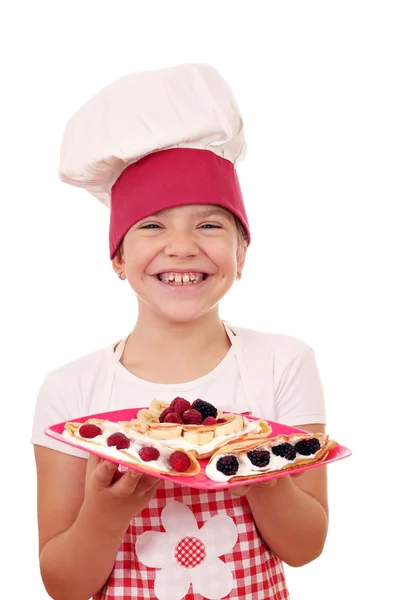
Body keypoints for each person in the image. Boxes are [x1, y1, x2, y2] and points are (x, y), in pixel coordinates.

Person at [31, 63, 328, 600]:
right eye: (152, 225)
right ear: (118, 257)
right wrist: (106, 510)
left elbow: (305, 547)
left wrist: (252, 461)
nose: (183, 246)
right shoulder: (70, 390)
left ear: (241, 253)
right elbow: (63, 585)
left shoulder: (283, 363)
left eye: (210, 224)